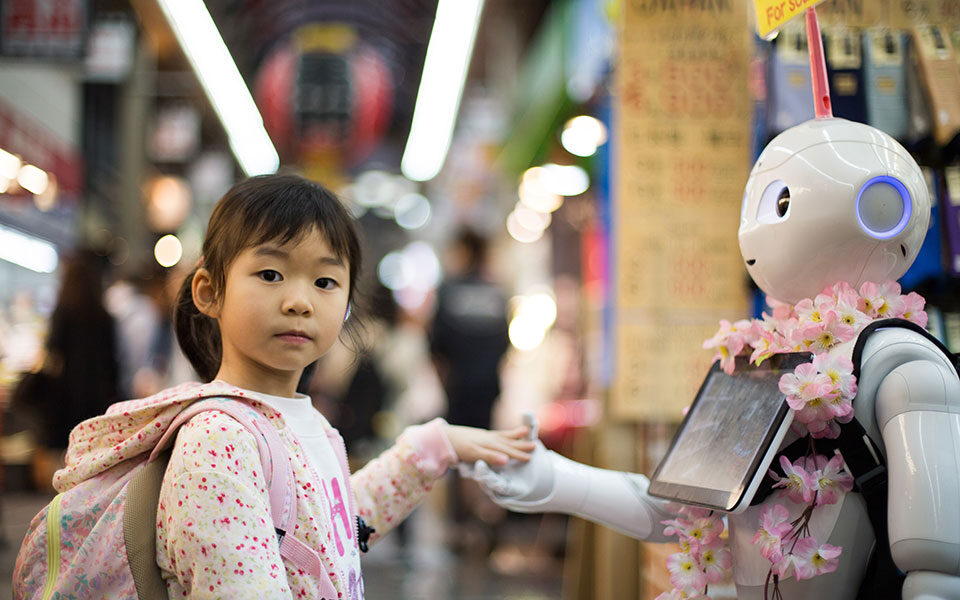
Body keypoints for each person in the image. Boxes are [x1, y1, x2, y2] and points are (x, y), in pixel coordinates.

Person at [47, 174, 535, 599]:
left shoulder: (300, 421)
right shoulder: (218, 441)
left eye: (324, 281)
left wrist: (437, 445)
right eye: (271, 274)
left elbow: (327, 534)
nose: (300, 300)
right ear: (209, 292)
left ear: (345, 304)